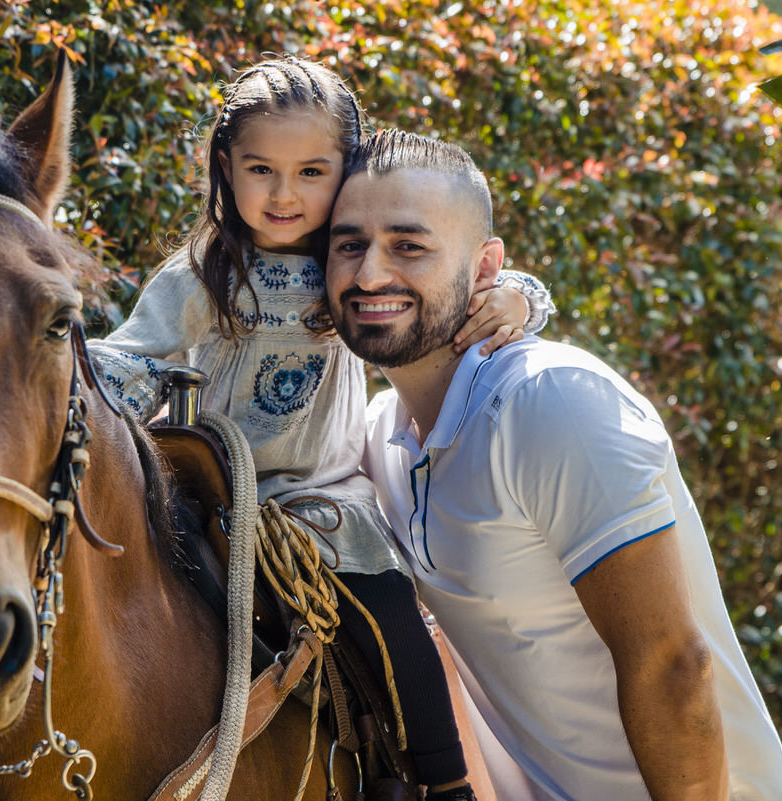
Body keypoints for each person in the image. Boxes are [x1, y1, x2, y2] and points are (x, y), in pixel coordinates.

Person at [89, 56, 555, 800]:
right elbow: (126, 357)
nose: (283, 194)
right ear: (224, 167)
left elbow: (467, 279)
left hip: (322, 502)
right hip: (210, 498)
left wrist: (521, 300)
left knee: (392, 620)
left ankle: (441, 783)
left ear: (348, 169)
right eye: (260, 169)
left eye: (312, 171)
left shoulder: (350, 262)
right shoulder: (202, 273)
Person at [325, 128, 782, 801]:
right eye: (349, 245)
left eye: (409, 245)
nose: (370, 273)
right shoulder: (378, 443)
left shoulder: (548, 400)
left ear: (486, 268)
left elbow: (671, 663)